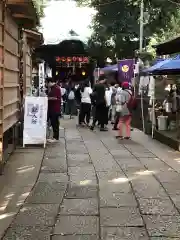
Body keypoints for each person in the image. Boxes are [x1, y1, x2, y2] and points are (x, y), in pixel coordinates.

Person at [47, 77, 61, 142]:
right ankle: (55, 137)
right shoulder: (53, 88)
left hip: (54, 109)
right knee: (53, 123)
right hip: (52, 108)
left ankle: (55, 138)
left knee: (55, 123)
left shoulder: (56, 88)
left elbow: (55, 98)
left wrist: (47, 98)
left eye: (47, 83)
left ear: (50, 82)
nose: (46, 84)